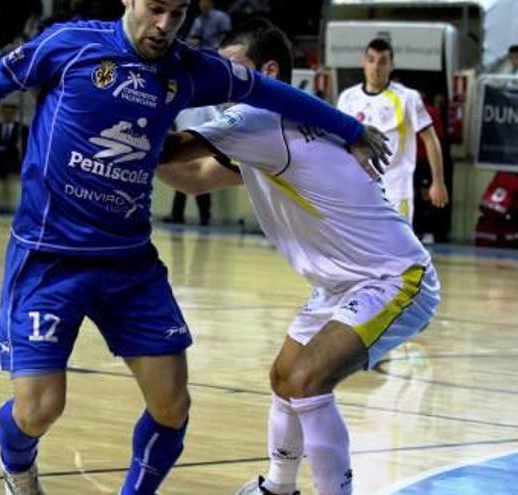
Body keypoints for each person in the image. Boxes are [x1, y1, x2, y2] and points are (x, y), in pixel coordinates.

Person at [0, 1, 389, 494]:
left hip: (129, 264)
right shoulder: (71, 44)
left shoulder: (189, 68)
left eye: (177, 14)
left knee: (172, 405)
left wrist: (352, 132)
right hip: (48, 257)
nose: (164, 25)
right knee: (38, 409)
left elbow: (273, 91)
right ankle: (18, 466)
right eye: (155, 9)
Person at [155, 19, 439, 495]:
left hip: (394, 277)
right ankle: (278, 487)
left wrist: (126, 108)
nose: (223, 81)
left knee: (306, 380)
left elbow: (171, 152)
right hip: (340, 284)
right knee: (284, 377)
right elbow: (193, 178)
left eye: (232, 69)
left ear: (267, 71)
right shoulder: (275, 129)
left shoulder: (258, 119)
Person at [337, 38, 449, 223]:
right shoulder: (347, 98)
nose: (376, 67)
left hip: (395, 188)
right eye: (371, 60)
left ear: (391, 65)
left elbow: (431, 140)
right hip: (357, 187)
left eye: (382, 61)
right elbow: (338, 141)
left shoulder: (408, 98)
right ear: (363, 62)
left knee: (397, 247)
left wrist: (438, 182)